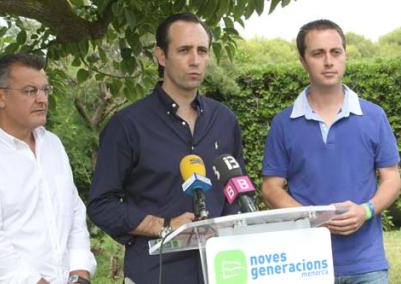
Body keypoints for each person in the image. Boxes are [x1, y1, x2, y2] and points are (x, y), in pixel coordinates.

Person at [88, 12, 244, 284]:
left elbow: (235, 193)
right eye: (184, 50)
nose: (195, 60)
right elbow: (102, 205)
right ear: (161, 56)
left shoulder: (225, 120)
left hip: (221, 270)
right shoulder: (127, 125)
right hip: (155, 273)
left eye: (202, 50)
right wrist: (164, 226)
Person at [261, 19, 401, 283]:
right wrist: (311, 219)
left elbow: (392, 178)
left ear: (345, 56)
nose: (328, 61)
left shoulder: (373, 116)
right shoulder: (283, 123)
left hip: (366, 265)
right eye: (317, 53)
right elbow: (270, 188)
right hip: (306, 263)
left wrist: (366, 210)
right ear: (303, 61)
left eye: (335, 52)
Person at [0, 53, 96, 284]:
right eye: (30, 91)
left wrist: (80, 272)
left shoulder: (52, 144)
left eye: (45, 90)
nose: (42, 99)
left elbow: (73, 212)